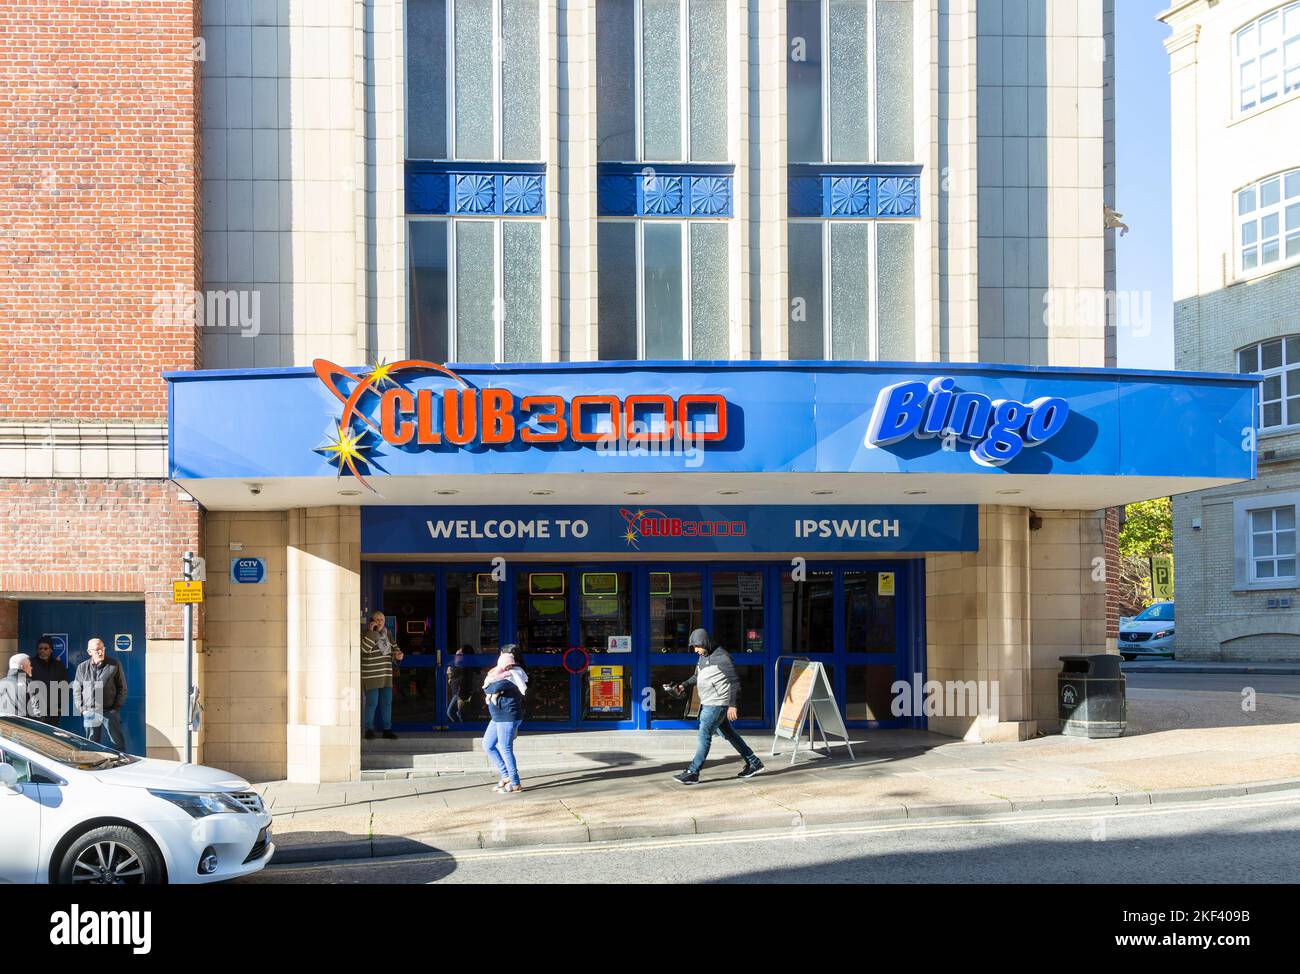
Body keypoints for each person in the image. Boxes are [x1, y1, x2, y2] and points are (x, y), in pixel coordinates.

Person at [669, 628, 764, 784]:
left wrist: (733, 705)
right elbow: (698, 675)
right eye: (693, 647)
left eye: (697, 646)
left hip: (716, 704)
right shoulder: (703, 656)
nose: (695, 650)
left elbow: (735, 683)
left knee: (704, 736)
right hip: (708, 702)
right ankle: (754, 762)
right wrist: (683, 685)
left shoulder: (723, 657)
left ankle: (693, 772)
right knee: (729, 734)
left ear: (704, 643)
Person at [481, 645, 528, 794]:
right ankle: (506, 775)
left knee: (505, 748)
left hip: (507, 716)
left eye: (502, 653)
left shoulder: (515, 673)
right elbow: (489, 686)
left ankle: (515, 783)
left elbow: (490, 688)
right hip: (498, 716)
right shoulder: (502, 673)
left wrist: (490, 682)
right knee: (487, 745)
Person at [73, 639, 127, 749]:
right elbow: (77, 690)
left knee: (117, 743)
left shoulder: (114, 665)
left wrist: (115, 708)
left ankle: (122, 763)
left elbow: (122, 688)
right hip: (90, 711)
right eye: (97, 650)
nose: (101, 652)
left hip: (109, 711)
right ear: (89, 652)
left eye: (102, 649)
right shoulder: (82, 667)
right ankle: (93, 764)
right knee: (91, 744)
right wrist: (82, 709)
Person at [361, 611, 403, 740]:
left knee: (386, 703)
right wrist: (372, 632)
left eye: (382, 620)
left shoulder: (388, 634)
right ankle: (368, 729)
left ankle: (387, 730)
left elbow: (395, 650)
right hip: (371, 675)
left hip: (386, 674)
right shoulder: (365, 634)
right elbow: (364, 649)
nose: (380, 622)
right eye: (377, 619)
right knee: (372, 703)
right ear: (371, 621)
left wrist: (398, 656)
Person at [30, 638, 69, 727]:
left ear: (51, 650)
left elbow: (64, 687)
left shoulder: (58, 666)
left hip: (53, 709)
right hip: (35, 708)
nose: (43, 650)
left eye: (46, 648)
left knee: (52, 735)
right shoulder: (30, 664)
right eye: (40, 648)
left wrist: (60, 706)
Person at [0, 653, 43, 719]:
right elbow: (38, 713)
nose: (32, 668)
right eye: (30, 665)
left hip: (3, 727)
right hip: (23, 727)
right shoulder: (30, 684)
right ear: (23, 667)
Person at [445, 644, 472, 724]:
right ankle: (461, 725)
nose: (457, 656)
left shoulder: (464, 666)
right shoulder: (453, 664)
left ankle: (459, 725)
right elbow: (449, 672)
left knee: (451, 712)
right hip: (455, 691)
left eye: (460, 655)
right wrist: (449, 676)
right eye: (456, 654)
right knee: (458, 712)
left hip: (459, 692)